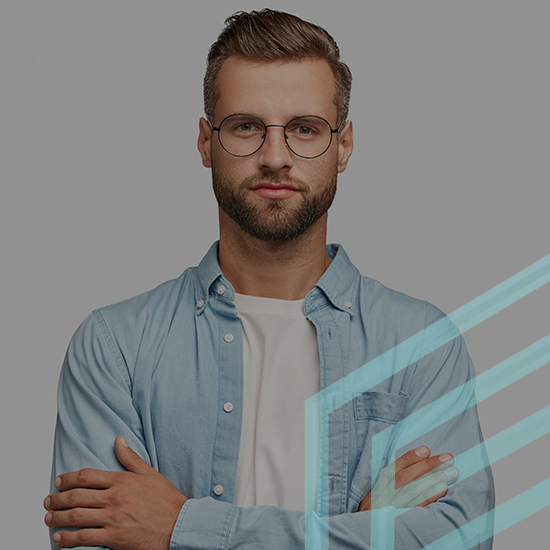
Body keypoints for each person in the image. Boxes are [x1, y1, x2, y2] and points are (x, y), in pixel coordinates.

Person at [44, 9, 494, 550]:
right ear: (206, 142)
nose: (275, 157)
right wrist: (365, 532)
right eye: (246, 127)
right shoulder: (114, 346)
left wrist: (180, 527)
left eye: (305, 129)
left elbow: (456, 542)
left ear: (343, 145)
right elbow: (91, 543)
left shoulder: (422, 343)